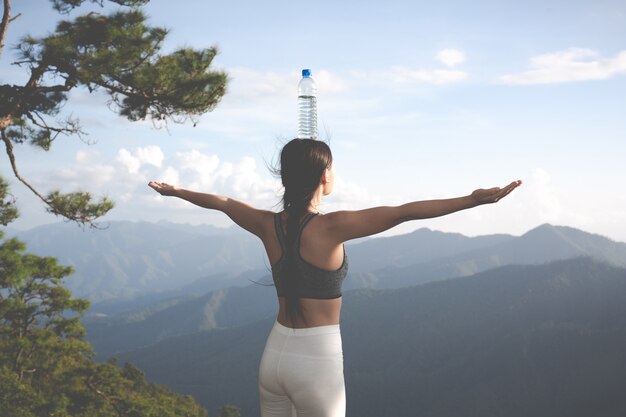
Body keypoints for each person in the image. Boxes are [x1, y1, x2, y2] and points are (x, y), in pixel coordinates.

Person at [148, 138, 522, 417]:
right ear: (325, 176)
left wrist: (176, 191)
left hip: (274, 355)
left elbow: (225, 203)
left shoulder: (266, 223)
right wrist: (472, 200)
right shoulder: (332, 226)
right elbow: (404, 212)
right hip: (316, 361)